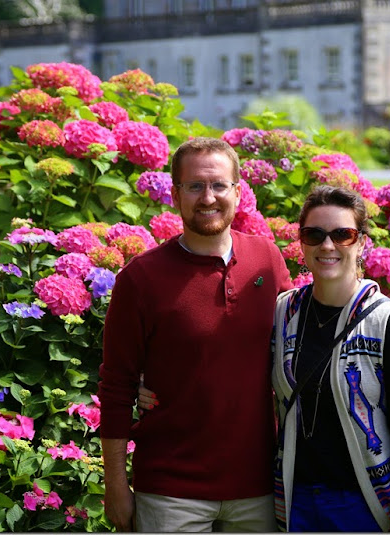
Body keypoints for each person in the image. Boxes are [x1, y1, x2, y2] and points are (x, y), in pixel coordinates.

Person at [98, 137, 292, 532]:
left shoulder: (267, 260)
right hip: (170, 493)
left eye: (219, 185)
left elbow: (296, 342)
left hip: (258, 487)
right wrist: (115, 485)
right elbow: (116, 386)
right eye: (195, 186)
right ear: (175, 195)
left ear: (238, 192)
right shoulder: (141, 278)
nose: (208, 197)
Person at [271, 185, 390, 532]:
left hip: (366, 506)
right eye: (315, 235)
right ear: (302, 243)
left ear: (361, 243)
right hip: (296, 502)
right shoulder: (284, 313)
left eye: (342, 234)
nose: (327, 245)